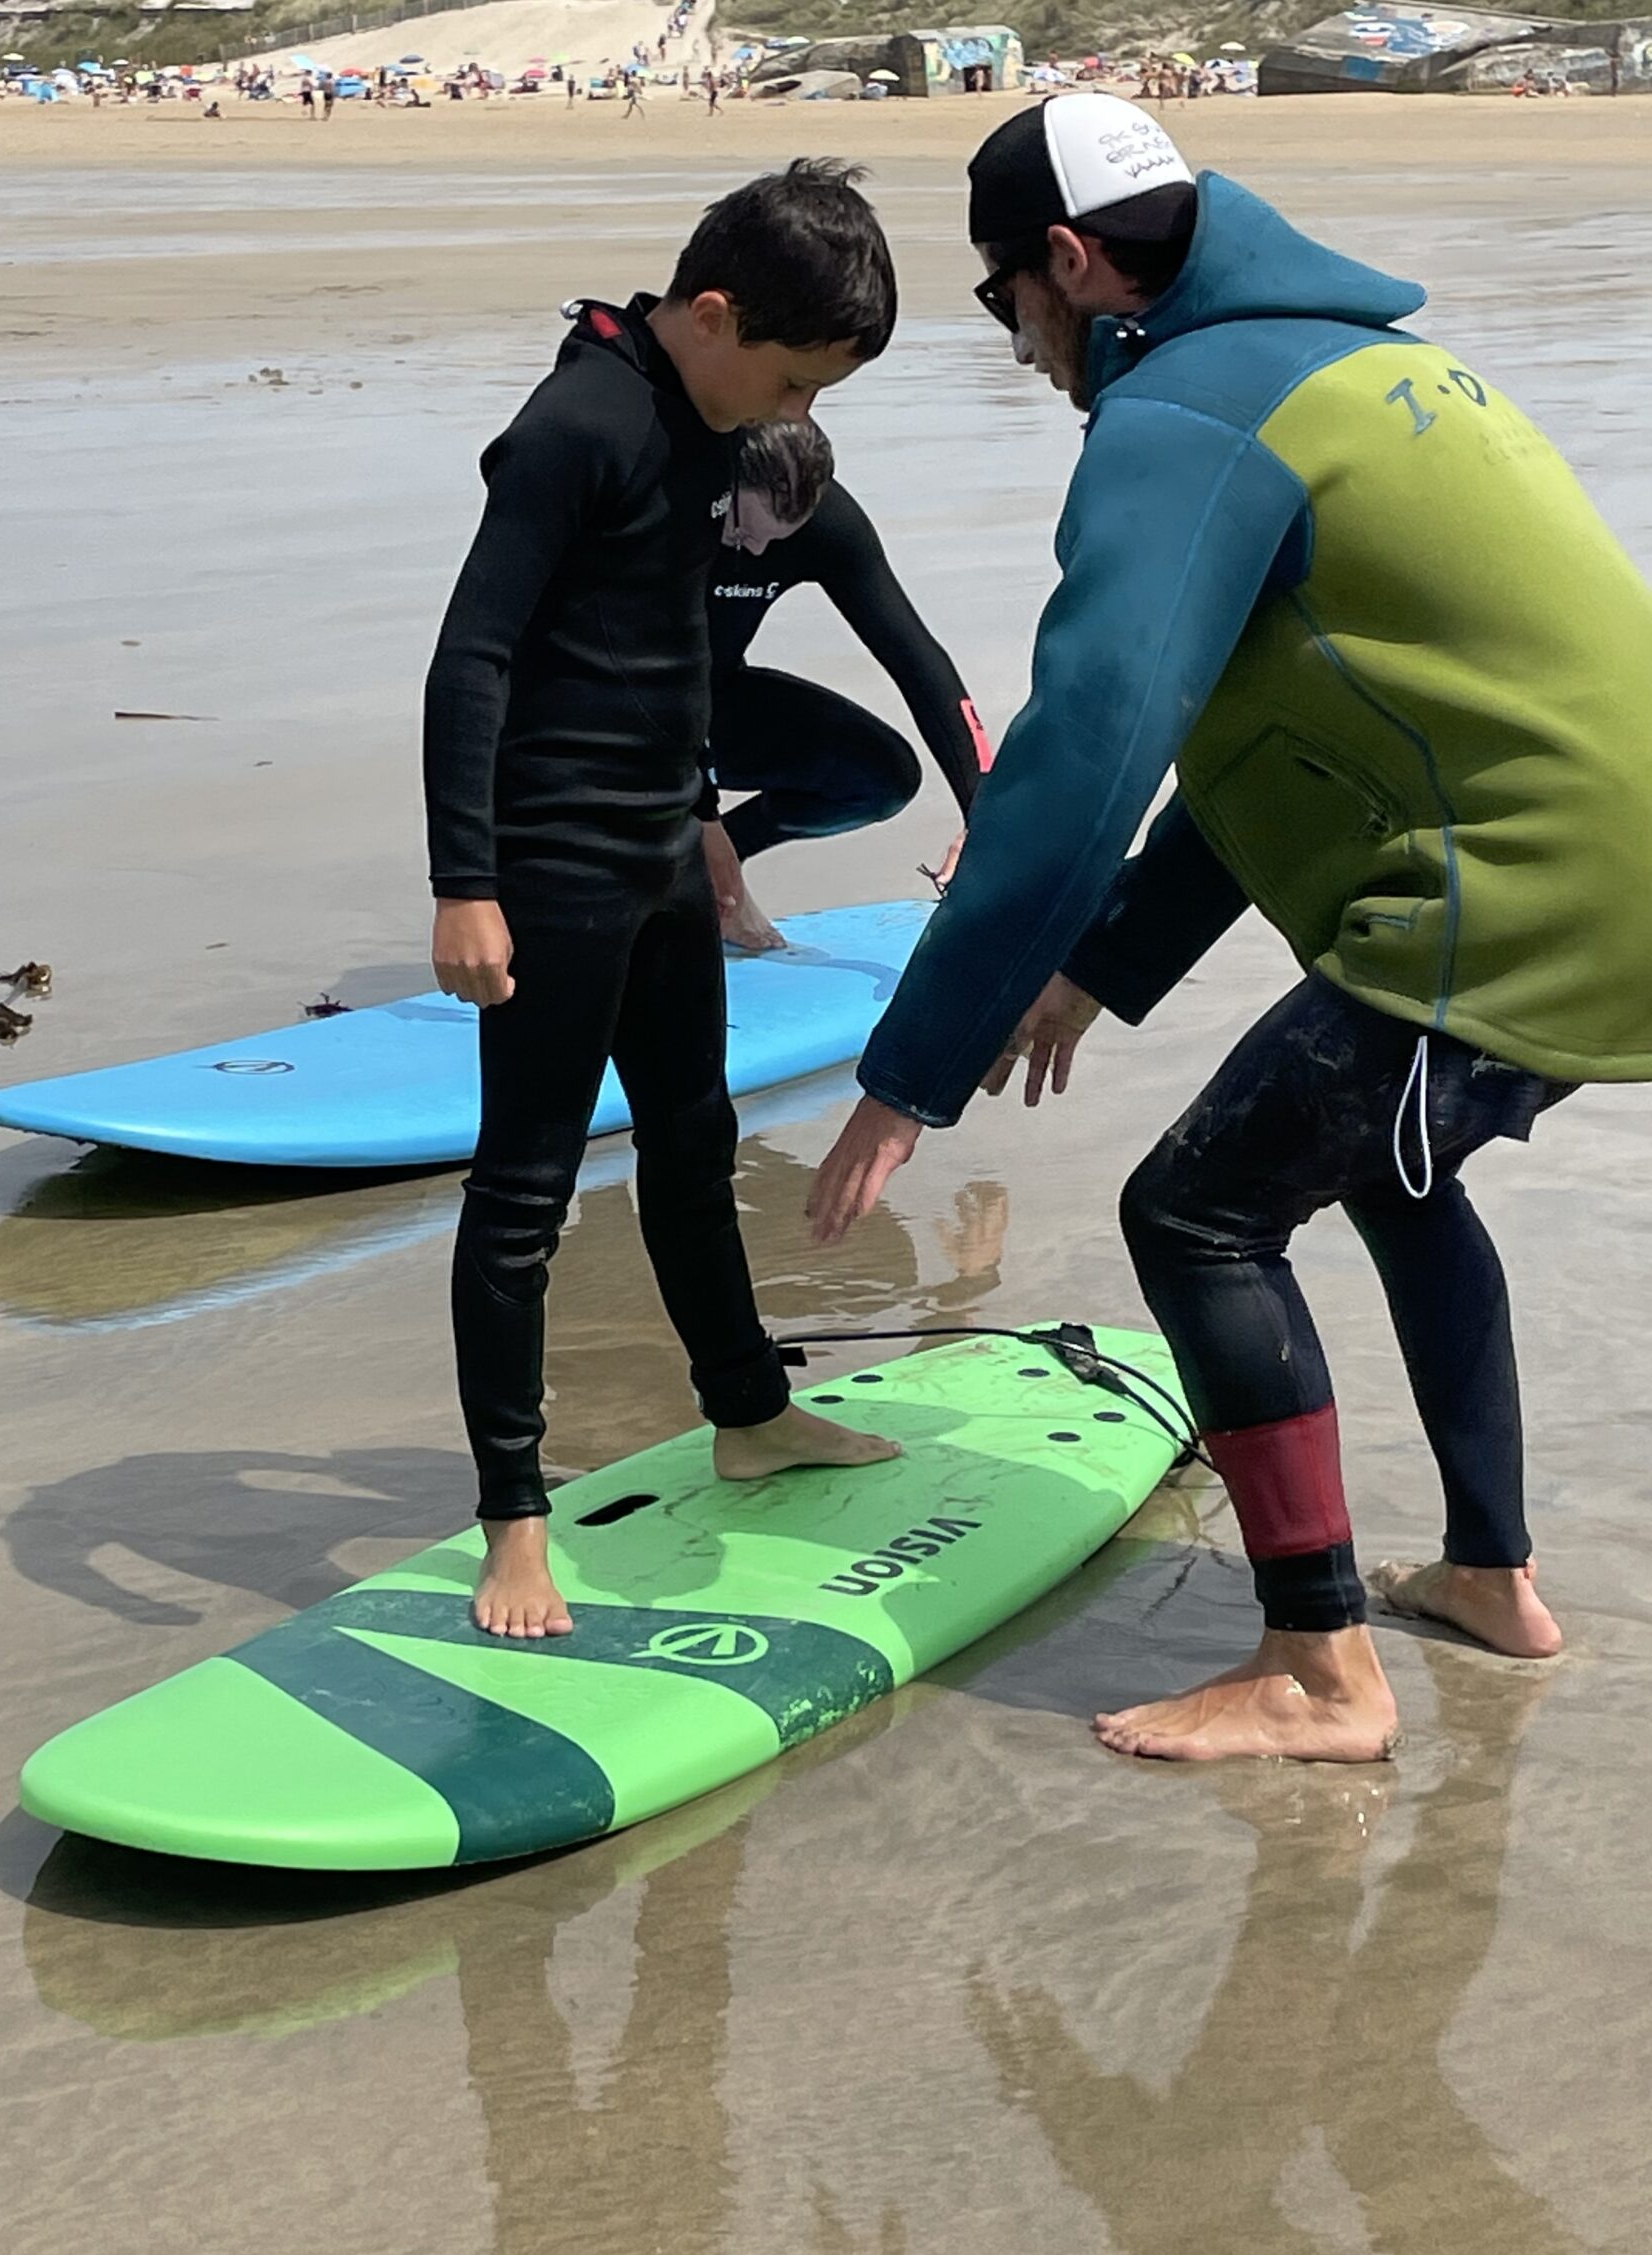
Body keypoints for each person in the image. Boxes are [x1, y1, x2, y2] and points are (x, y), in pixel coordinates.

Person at [808, 93, 1652, 1761]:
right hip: (1595, 870)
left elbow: (1084, 750)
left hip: (1509, 889)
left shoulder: (1187, 411)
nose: (1020, 345)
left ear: (1068, 263)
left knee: (1195, 1211)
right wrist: (1101, 964)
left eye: (1004, 302)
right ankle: (1492, 1579)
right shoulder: (1361, 369)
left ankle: (1317, 1669)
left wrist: (917, 1070)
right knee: (1398, 1184)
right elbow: (1256, 753)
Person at [424, 160, 905, 1640]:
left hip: (653, 860)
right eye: (789, 376)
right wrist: (465, 884)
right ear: (711, 312)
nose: (793, 413)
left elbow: (666, 656)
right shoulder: (578, 427)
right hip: (552, 871)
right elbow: (473, 658)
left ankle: (748, 1413)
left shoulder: (710, 425)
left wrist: (701, 826)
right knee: (524, 1197)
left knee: (694, 1147)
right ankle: (516, 1516)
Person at [699, 417, 990, 952]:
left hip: (710, 698)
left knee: (882, 776)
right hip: (607, 712)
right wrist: (698, 810)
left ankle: (709, 866)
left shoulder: (830, 524)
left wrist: (986, 815)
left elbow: (917, 660)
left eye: (777, 541)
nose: (755, 552)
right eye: (742, 531)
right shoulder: (673, 498)